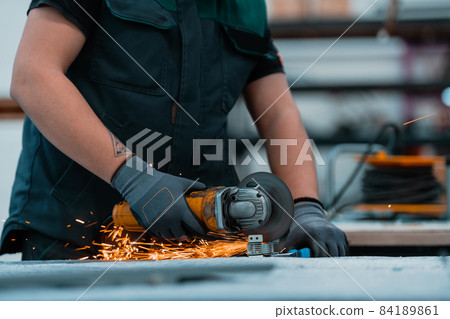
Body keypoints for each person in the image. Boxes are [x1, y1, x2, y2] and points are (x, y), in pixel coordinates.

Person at [0, 0, 348, 260]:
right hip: (75, 237)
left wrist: (305, 207)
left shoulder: (245, 6)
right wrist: (133, 177)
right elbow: (34, 77)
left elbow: (278, 114)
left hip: (198, 240)